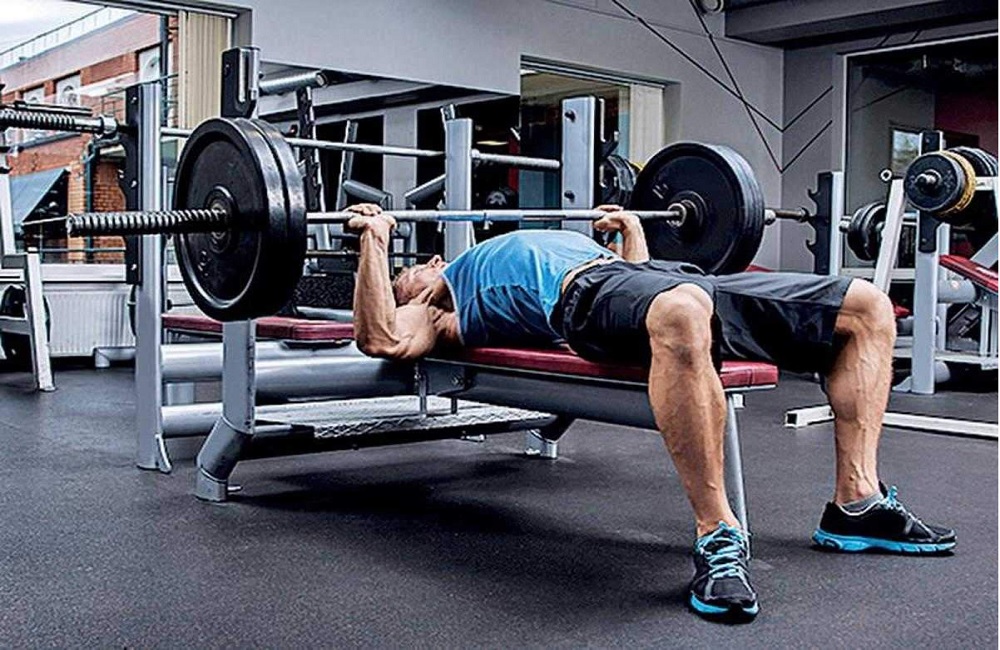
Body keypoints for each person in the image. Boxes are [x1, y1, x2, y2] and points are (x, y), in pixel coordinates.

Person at [345, 202, 955, 623]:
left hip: (653, 276)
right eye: (405, 275)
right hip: (585, 298)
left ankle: (856, 502)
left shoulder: (473, 260)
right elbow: (380, 336)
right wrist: (374, 242)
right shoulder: (439, 307)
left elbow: (635, 283)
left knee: (867, 307)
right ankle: (718, 534)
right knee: (681, 311)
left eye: (415, 265)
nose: (417, 270)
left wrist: (631, 232)